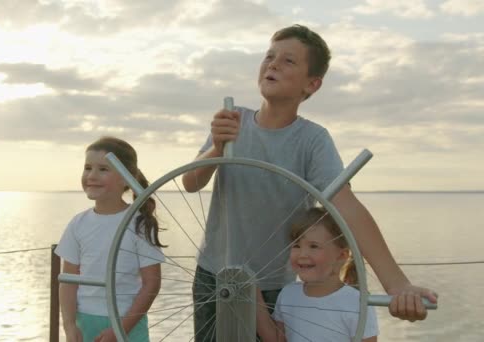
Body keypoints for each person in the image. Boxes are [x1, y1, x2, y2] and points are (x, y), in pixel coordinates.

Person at [182, 24, 437, 341]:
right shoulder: (233, 119)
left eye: (289, 61)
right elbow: (191, 182)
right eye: (270, 56)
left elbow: (347, 208)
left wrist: (397, 285)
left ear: (312, 84)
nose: (273, 64)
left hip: (276, 283)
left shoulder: (313, 140)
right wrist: (216, 147)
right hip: (214, 274)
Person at [56, 136, 165, 342]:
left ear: (126, 177)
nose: (92, 175)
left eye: (103, 169)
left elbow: (152, 283)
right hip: (84, 323)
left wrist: (119, 330)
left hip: (127, 323)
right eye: (88, 168)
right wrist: (69, 326)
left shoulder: (138, 224)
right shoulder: (77, 224)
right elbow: (68, 281)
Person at [256, 207, 379, 341]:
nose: (302, 254)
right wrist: (255, 299)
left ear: (341, 256)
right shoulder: (288, 294)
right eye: (296, 245)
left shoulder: (357, 303)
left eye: (313, 246)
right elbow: (277, 339)